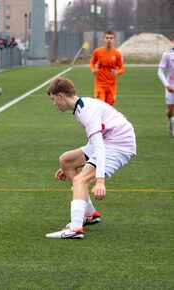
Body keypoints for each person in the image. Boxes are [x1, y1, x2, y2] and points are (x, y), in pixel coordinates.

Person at [45, 77, 136, 239]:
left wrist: (100, 181)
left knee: (81, 180)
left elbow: (100, 148)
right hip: (110, 140)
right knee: (67, 160)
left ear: (60, 96)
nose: (54, 104)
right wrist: (72, 165)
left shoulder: (86, 110)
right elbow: (95, 140)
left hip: (118, 144)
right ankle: (89, 214)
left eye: (53, 99)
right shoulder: (82, 105)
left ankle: (75, 229)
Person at [90, 31, 125, 106]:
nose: (109, 39)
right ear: (104, 39)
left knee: (109, 108)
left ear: (114, 39)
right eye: (107, 38)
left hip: (111, 85)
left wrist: (117, 72)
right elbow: (92, 62)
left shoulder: (117, 54)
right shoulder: (97, 52)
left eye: (111, 38)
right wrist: (92, 69)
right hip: (100, 84)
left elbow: (122, 68)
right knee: (100, 105)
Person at [157, 46, 174, 136]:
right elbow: (160, 71)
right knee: (170, 111)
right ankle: (171, 121)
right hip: (171, 87)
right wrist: (167, 85)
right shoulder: (167, 54)